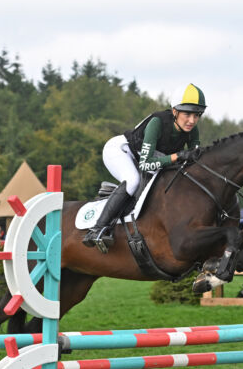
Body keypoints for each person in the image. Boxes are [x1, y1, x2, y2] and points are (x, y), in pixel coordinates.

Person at [82, 83, 206, 251]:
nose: (192, 120)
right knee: (132, 181)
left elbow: (192, 160)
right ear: (175, 111)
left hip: (146, 158)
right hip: (120, 151)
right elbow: (146, 164)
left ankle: (114, 195)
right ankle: (97, 229)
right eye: (187, 114)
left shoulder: (193, 131)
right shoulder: (158, 122)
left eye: (197, 115)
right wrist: (177, 156)